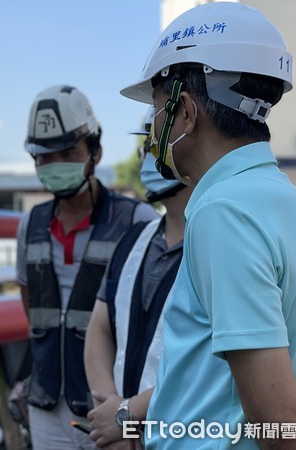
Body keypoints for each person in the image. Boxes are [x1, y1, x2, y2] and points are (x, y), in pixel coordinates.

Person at [118, 2, 296, 448]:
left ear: (184, 110)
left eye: (157, 108)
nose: (153, 128)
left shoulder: (223, 213)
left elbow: (278, 422)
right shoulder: (288, 201)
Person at [16, 85, 158, 449]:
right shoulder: (29, 225)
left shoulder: (136, 220)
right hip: (46, 402)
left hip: (115, 405)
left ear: (95, 151)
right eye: (44, 157)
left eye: (67, 153)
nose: (54, 165)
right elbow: (29, 303)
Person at [84, 140, 191, 449]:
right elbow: (100, 330)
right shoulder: (133, 240)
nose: (146, 158)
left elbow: (210, 366)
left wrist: (124, 416)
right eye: (146, 148)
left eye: (158, 146)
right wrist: (111, 419)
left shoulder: (217, 245)